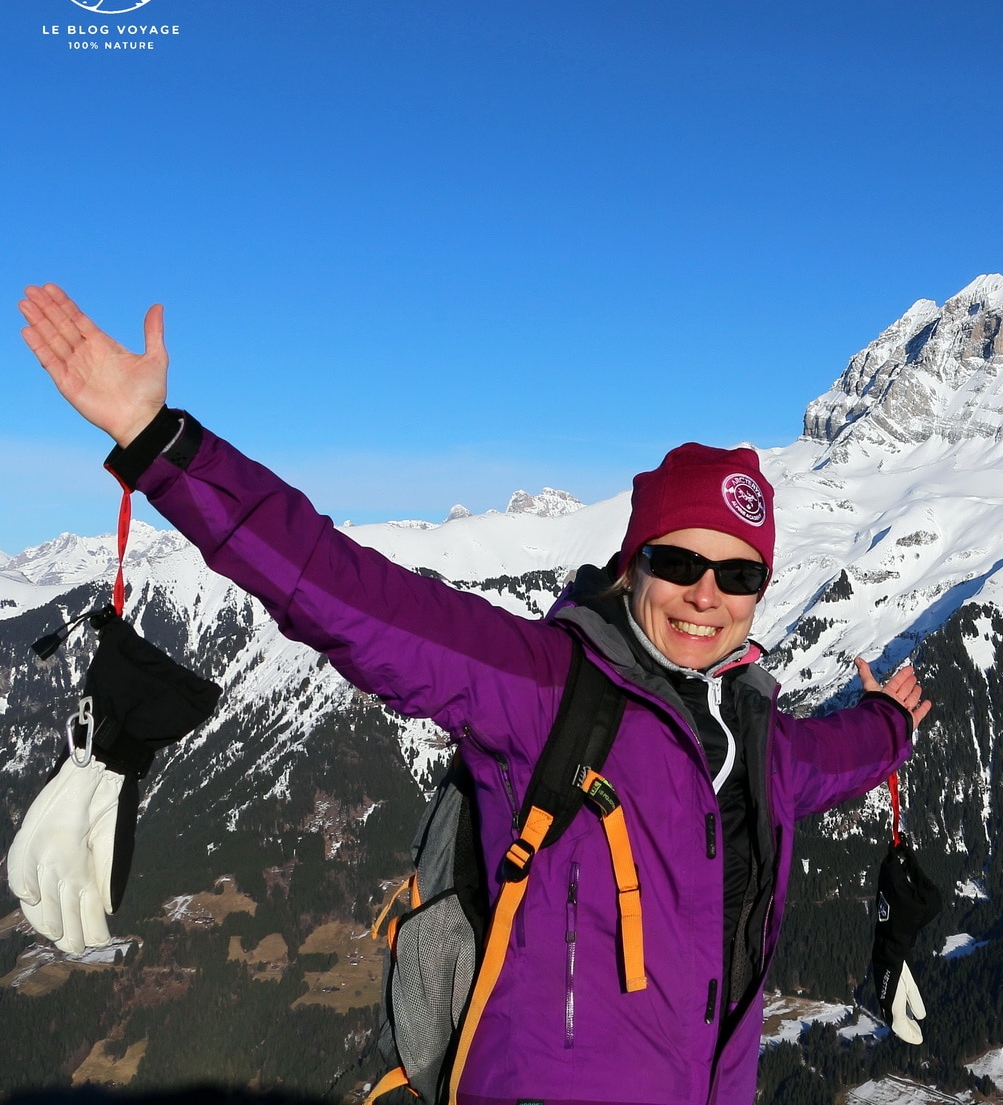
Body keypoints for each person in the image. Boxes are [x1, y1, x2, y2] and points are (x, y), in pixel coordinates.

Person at [15, 284, 932, 1105]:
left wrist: (892, 719)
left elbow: (839, 757)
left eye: (738, 576)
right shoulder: (543, 687)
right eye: (679, 560)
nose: (707, 595)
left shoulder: (762, 740)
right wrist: (164, 447)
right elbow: (344, 594)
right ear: (631, 564)